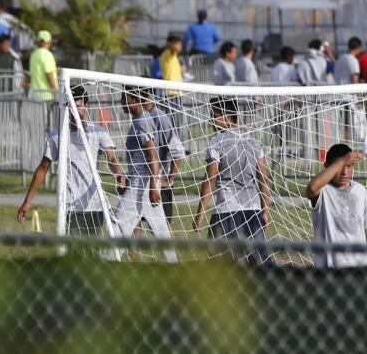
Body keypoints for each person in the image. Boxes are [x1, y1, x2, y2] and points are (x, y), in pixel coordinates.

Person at [17, 86, 126, 235]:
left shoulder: (98, 132)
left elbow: (112, 159)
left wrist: (119, 174)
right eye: (71, 106)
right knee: (73, 253)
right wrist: (27, 202)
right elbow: (42, 169)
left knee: (92, 252)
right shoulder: (56, 136)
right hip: (69, 206)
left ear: (86, 106)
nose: (74, 110)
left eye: (78, 106)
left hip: (94, 204)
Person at [193, 98, 271, 245]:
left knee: (218, 265)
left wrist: (200, 214)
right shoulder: (253, 142)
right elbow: (263, 179)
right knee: (256, 264)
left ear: (227, 116)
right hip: (253, 210)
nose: (211, 120)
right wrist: (264, 210)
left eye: (215, 116)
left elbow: (210, 179)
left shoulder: (216, 142)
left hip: (226, 210)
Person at [112, 88, 177, 261]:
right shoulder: (142, 120)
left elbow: (152, 154)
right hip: (145, 184)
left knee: (117, 226)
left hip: (141, 186)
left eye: (124, 98)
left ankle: (107, 263)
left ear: (134, 99)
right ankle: (175, 267)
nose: (121, 102)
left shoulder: (142, 122)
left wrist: (153, 187)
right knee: (162, 234)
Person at [306, 144, 367, 267]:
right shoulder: (323, 190)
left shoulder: (360, 190)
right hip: (329, 269)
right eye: (340, 167)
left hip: (359, 267)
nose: (344, 172)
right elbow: (312, 187)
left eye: (349, 166)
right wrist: (343, 160)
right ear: (327, 167)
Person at [143, 91, 186, 224]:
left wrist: (169, 180)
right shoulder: (140, 117)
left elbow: (177, 151)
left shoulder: (160, 118)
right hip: (142, 182)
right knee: (135, 222)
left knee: (163, 227)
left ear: (148, 97)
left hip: (159, 184)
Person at [28, 30, 58, 102]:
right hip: (47, 95)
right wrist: (56, 92)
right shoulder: (47, 54)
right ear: (49, 42)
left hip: (34, 95)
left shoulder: (33, 54)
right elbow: (49, 74)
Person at [159, 35, 185, 102]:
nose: (181, 47)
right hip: (171, 91)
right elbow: (172, 49)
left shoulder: (175, 56)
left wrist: (181, 69)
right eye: (179, 44)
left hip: (177, 90)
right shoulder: (168, 53)